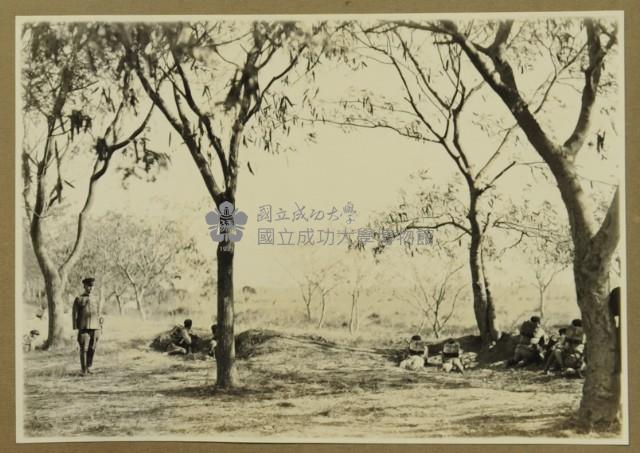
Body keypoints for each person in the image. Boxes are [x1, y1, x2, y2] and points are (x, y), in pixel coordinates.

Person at [72, 277, 103, 375]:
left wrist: (100, 326)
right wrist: (76, 327)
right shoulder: (79, 298)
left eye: (92, 286)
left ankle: (89, 367)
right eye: (89, 286)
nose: (91, 288)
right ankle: (83, 369)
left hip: (95, 327)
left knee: (92, 348)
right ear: (84, 286)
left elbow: (99, 313)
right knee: (83, 348)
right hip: (83, 327)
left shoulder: (96, 299)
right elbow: (74, 313)